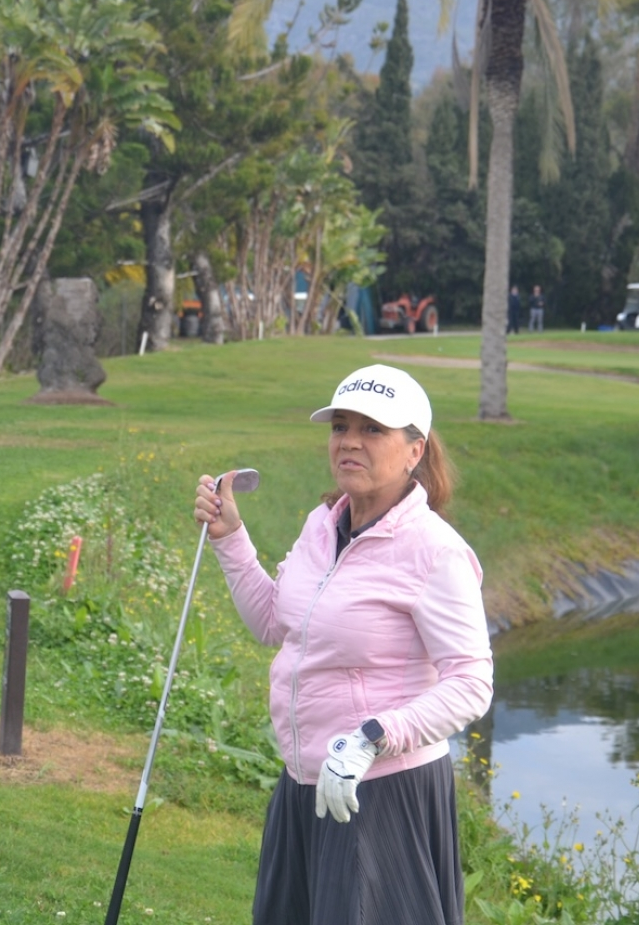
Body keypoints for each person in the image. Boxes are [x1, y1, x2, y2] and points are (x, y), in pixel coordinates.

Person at [194, 364, 493, 925]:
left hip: (382, 789)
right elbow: (274, 624)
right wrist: (231, 538)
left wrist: (371, 738)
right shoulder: (321, 525)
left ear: (415, 450)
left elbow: (472, 683)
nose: (350, 441)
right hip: (304, 780)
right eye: (341, 427)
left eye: (373, 429)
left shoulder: (435, 550)